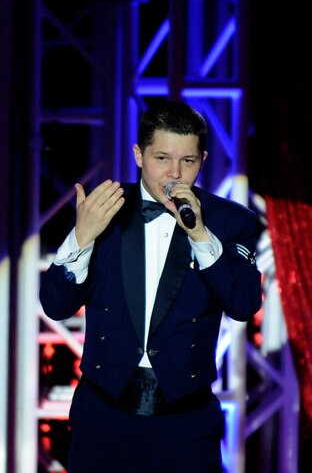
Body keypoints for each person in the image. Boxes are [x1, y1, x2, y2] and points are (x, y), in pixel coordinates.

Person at [40, 101, 262, 472]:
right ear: (139, 155)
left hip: (186, 425)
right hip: (105, 418)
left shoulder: (229, 220)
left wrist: (201, 235)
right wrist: (81, 238)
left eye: (187, 161)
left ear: (203, 160)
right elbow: (55, 304)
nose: (174, 174)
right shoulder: (104, 208)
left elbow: (243, 303)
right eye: (162, 158)